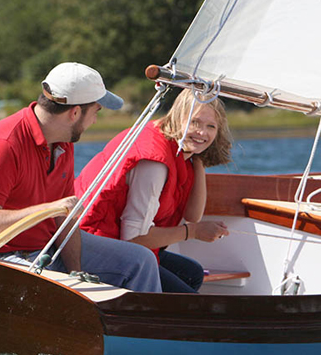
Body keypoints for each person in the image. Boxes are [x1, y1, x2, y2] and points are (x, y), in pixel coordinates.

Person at [0, 62, 161, 292]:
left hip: (45, 248)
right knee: (64, 294)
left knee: (141, 261)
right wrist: (49, 209)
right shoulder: (2, 145)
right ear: (75, 113)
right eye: (96, 112)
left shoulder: (62, 140)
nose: (95, 121)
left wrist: (75, 272)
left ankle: (139, 329)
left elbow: (64, 218)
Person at [75, 89, 232, 293]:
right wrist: (193, 232)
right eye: (194, 123)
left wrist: (199, 158)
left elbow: (193, 215)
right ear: (177, 118)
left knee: (192, 272)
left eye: (211, 126)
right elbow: (133, 238)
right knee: (190, 301)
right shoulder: (154, 163)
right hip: (93, 243)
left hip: (121, 240)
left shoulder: (180, 149)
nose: (202, 132)